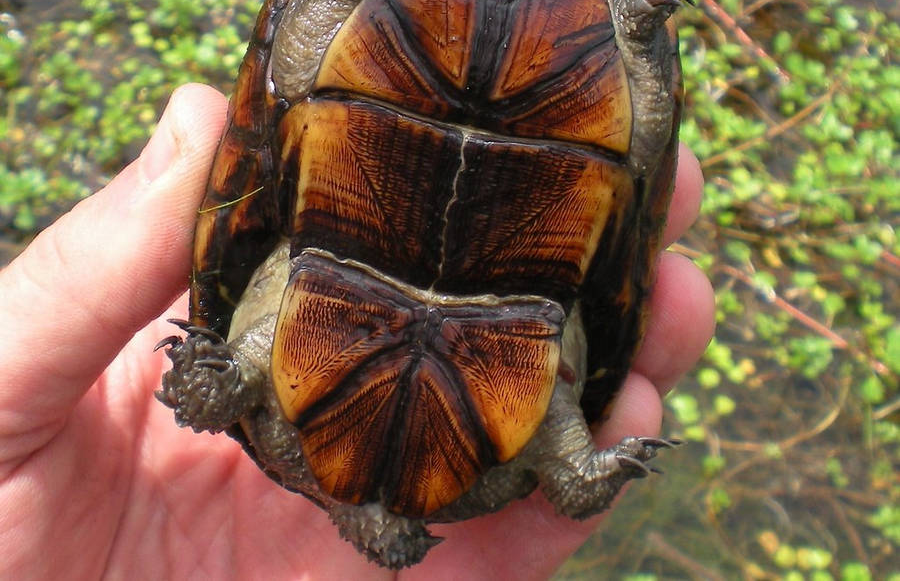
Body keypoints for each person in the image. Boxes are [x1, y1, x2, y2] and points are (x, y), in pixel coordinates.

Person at [0, 84, 715, 579]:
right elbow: (639, 145)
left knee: (261, 361)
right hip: (494, 329)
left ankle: (244, 381)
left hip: (334, 293)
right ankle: (560, 468)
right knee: (539, 411)